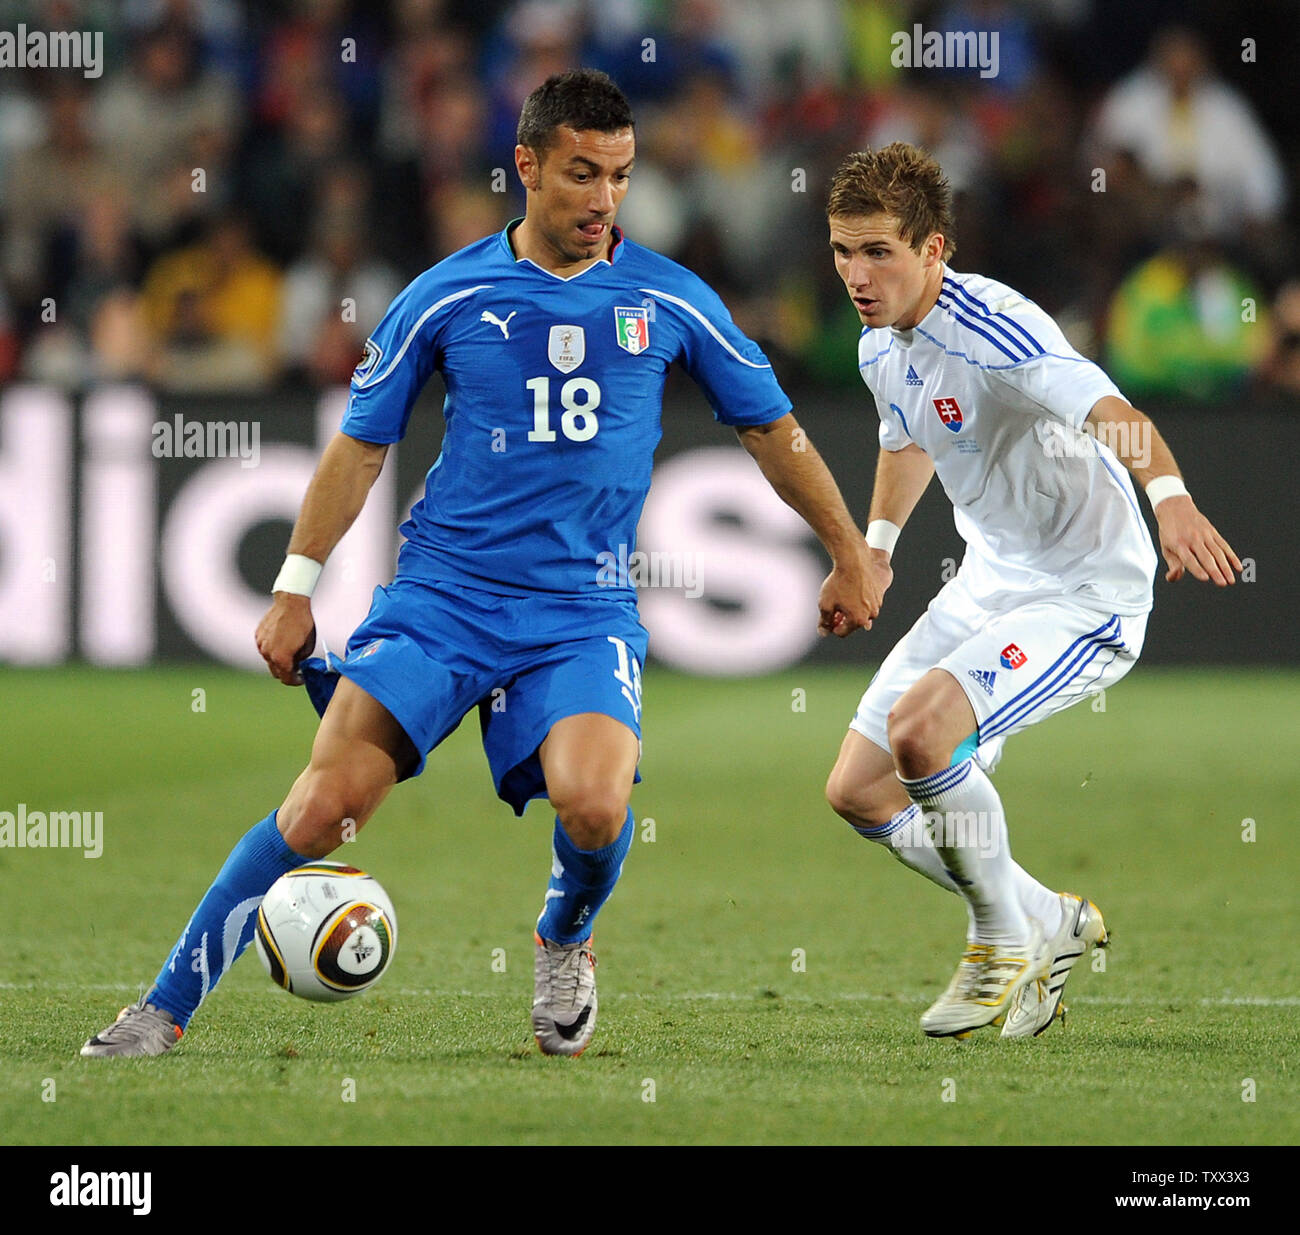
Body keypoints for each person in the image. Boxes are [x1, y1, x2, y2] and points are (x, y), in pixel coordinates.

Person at [81, 70, 879, 1060]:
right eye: (581, 174)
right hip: (443, 600)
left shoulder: (672, 297)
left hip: (579, 612)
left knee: (595, 801)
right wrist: (295, 585)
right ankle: (160, 1009)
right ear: (528, 165)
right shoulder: (448, 293)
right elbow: (359, 444)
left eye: (620, 177)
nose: (602, 200)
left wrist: (849, 552)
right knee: (322, 806)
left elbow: (775, 430)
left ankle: (563, 938)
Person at [821, 143, 1241, 1040]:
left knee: (923, 732)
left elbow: (1114, 414)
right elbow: (907, 440)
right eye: (843, 252)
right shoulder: (879, 346)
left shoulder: (997, 329)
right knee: (858, 787)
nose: (858, 275)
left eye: (879, 252)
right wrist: (880, 550)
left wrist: (1170, 500)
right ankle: (1045, 917)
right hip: (990, 579)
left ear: (934, 250)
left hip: (1086, 592)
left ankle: (999, 938)